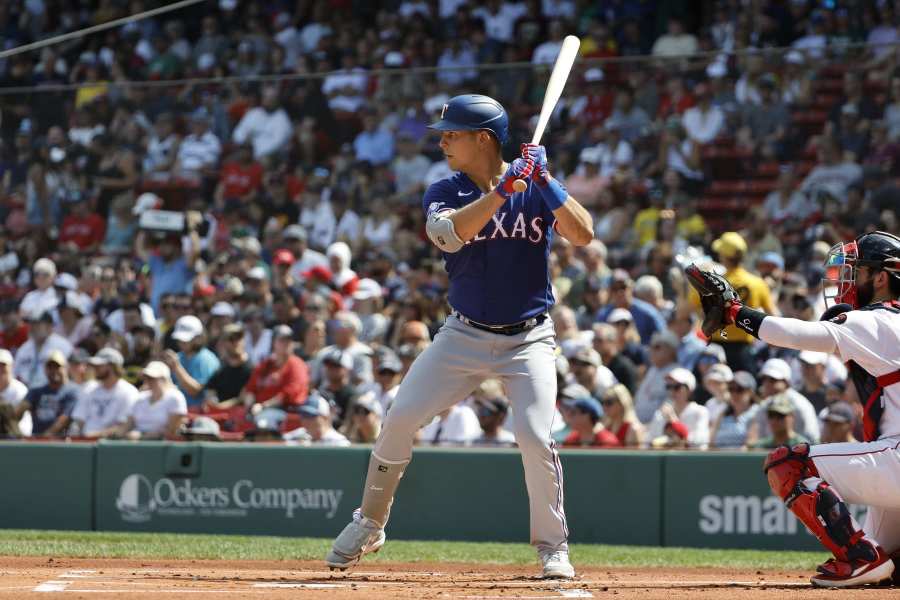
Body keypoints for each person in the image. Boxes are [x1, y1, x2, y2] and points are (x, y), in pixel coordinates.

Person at [325, 94, 593, 579]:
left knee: (535, 436)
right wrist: (503, 190)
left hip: (529, 338)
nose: (443, 141)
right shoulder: (443, 189)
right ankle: (370, 521)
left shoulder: (535, 182)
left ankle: (553, 548)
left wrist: (545, 182)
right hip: (463, 332)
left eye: (452, 133)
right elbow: (447, 235)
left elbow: (584, 234)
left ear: (483, 139)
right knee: (401, 416)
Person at [686, 231, 900, 586]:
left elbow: (795, 335)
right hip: (892, 462)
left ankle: (857, 560)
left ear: (881, 277)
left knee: (788, 464)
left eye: (857, 270)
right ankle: (873, 559)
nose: (848, 279)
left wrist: (735, 312)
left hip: (896, 460)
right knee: (890, 563)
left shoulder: (878, 320)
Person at [690, 232, 777, 372]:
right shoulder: (757, 283)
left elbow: (689, 309)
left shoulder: (710, 283)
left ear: (723, 256)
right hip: (743, 351)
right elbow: (773, 316)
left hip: (715, 349)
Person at [70, 348, 139, 439]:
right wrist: (73, 436)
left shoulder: (128, 391)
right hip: (84, 443)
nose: (95, 368)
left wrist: (94, 435)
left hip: (111, 445)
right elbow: (78, 420)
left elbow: (124, 426)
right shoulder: (89, 389)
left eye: (99, 365)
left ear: (112, 366)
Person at [242, 325, 309, 414]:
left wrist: (263, 406)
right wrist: (249, 406)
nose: (286, 344)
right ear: (273, 342)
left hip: (287, 411)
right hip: (260, 410)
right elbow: (251, 388)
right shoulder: (266, 364)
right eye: (282, 340)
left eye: (289, 340)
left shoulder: (297, 365)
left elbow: (288, 394)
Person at [163, 315, 221, 408]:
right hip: (175, 410)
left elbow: (195, 391)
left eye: (186, 339)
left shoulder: (207, 359)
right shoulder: (178, 357)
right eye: (179, 339)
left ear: (198, 337)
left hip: (198, 414)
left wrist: (176, 367)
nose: (182, 342)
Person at [118, 361, 187, 440]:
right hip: (136, 443)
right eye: (147, 377)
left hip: (162, 446)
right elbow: (127, 425)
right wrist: (118, 435)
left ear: (164, 379)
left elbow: (171, 431)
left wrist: (142, 436)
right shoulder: (140, 398)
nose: (148, 381)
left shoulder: (175, 397)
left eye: (152, 378)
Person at [646, 367, 710, 448]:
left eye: (677, 387)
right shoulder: (660, 413)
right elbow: (649, 442)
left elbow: (699, 444)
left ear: (689, 389)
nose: (672, 391)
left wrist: (673, 420)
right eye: (668, 387)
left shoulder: (700, 411)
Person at [20, 350, 79, 438]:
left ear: (66, 368)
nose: (54, 371)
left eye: (57, 367)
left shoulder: (73, 390)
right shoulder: (37, 391)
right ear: (45, 369)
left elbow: (64, 420)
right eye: (50, 367)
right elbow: (19, 410)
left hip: (60, 442)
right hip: (36, 439)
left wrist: (44, 438)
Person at [203, 323, 253, 411]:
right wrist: (211, 402)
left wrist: (220, 407)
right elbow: (210, 391)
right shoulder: (221, 369)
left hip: (240, 417)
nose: (236, 342)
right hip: (219, 416)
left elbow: (242, 398)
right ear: (223, 343)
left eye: (239, 338)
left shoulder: (252, 369)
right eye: (231, 339)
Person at [709, 370, 758, 449]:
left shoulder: (757, 413)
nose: (734, 393)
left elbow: (750, 445)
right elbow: (711, 444)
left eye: (739, 389)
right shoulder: (723, 414)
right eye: (731, 389)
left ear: (751, 392)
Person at [600, 383, 644, 447]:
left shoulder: (632, 429)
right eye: (603, 402)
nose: (604, 407)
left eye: (608, 403)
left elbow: (633, 456)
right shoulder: (605, 426)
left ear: (621, 403)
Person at [0, 348, 30, 436]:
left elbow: (13, 418)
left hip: (18, 435)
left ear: (12, 367)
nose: (0, 369)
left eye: (3, 365)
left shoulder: (20, 389)